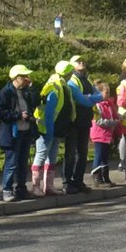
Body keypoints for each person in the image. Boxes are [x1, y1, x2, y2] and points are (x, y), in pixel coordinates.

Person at [0, 65, 39, 202]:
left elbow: (36, 102)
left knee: (23, 163)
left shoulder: (25, 91)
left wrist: (32, 87)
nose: (26, 79)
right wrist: (18, 115)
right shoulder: (5, 92)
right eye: (23, 77)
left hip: (25, 131)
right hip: (12, 133)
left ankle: (21, 189)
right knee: (11, 163)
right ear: (16, 78)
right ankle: (7, 190)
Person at [32, 60, 75, 195]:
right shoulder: (54, 86)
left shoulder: (62, 84)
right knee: (41, 155)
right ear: (66, 72)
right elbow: (49, 111)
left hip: (57, 127)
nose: (72, 74)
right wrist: (49, 130)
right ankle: (35, 186)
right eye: (70, 71)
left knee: (52, 156)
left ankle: (48, 186)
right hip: (47, 128)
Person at [64, 56, 102, 194]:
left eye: (82, 60)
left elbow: (100, 96)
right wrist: (90, 99)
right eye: (77, 61)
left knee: (83, 153)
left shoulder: (86, 79)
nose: (81, 62)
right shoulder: (72, 81)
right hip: (74, 121)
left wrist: (89, 98)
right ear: (71, 65)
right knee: (71, 154)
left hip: (85, 120)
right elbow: (82, 100)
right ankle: (67, 182)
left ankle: (78, 181)